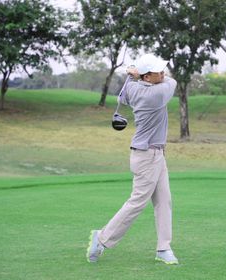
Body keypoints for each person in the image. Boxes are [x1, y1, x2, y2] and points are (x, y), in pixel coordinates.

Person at [86, 53, 178, 265]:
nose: (163, 74)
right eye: (157, 72)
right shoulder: (156, 95)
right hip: (147, 156)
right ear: (147, 77)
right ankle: (101, 238)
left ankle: (164, 248)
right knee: (137, 202)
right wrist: (136, 74)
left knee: (164, 200)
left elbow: (123, 97)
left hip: (156, 153)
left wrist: (133, 75)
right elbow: (172, 82)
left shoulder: (133, 87)